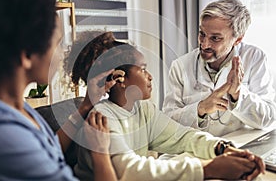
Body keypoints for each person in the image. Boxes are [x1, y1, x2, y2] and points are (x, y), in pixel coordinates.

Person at [66, 34, 265, 181]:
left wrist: (221, 148)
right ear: (119, 78)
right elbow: (129, 171)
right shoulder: (101, 117)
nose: (150, 76)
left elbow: (182, 137)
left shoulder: (144, 110)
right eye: (143, 69)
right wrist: (208, 168)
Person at [0, 0, 116, 180]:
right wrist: (100, 152)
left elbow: (46, 152)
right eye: (57, 44)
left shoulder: (14, 107)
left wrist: (85, 106)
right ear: (27, 54)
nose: (61, 55)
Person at [162, 0, 276, 136]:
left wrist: (237, 95)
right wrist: (200, 109)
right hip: (195, 151)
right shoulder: (180, 66)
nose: (204, 45)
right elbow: (167, 123)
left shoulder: (254, 58)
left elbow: (268, 119)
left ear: (238, 39)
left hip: (237, 148)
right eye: (202, 34)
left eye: (215, 38)